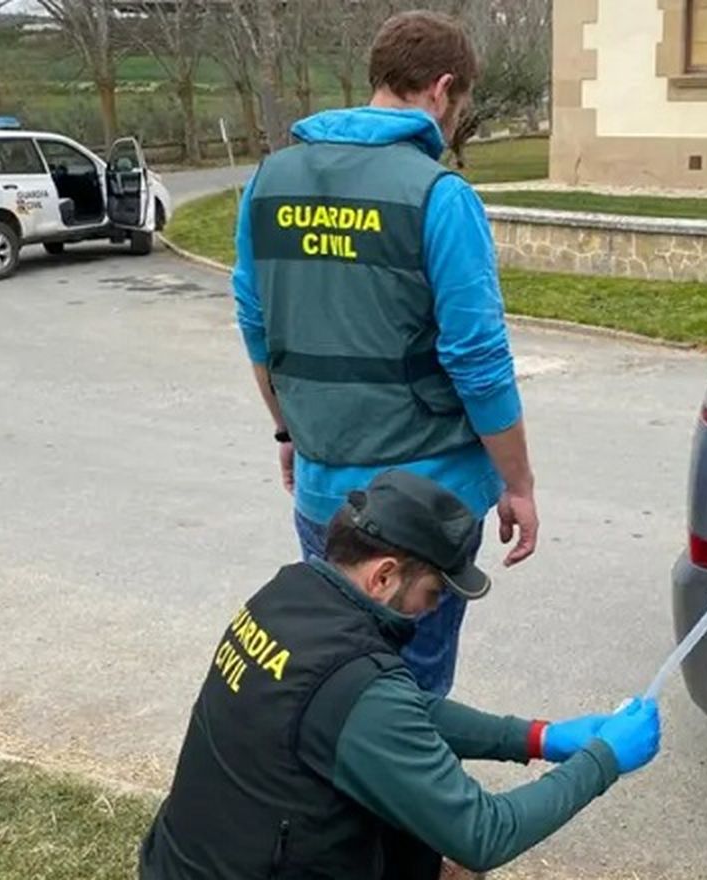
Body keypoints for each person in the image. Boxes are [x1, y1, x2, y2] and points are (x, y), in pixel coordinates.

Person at [138, 469, 660, 880]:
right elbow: (483, 833)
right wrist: (602, 760)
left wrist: (536, 737)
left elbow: (402, 709)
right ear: (384, 575)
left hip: (186, 860)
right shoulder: (356, 686)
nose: (433, 609)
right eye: (434, 591)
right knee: (433, 835)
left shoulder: (288, 596)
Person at [232, 9, 536, 700]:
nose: (454, 125)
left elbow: (258, 327)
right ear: (443, 89)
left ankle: (340, 807)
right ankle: (406, 808)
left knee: (338, 680)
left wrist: (288, 429)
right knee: (412, 697)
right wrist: (518, 483)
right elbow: (479, 359)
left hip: (323, 495)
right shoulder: (439, 197)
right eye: (459, 108)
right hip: (429, 507)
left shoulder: (269, 183)